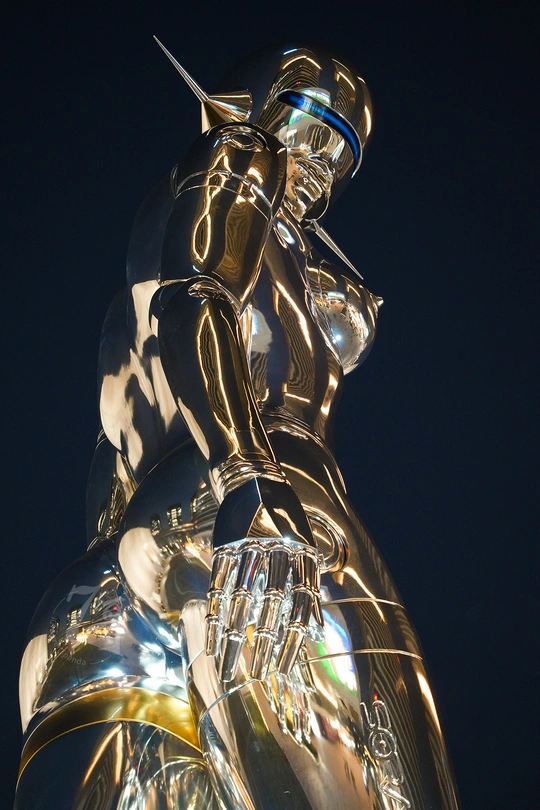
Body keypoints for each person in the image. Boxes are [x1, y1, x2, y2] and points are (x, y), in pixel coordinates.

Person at [16, 42, 459, 810]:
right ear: (251, 104)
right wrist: (247, 473)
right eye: (314, 127)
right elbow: (197, 295)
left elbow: (115, 446)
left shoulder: (165, 256)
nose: (323, 163)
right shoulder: (240, 154)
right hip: (265, 497)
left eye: (343, 155)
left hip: (122, 570)